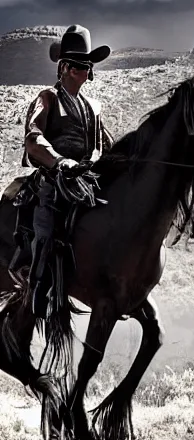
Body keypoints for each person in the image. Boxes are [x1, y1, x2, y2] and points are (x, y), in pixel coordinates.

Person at [18, 24, 112, 313]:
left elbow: (106, 146)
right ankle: (37, 288)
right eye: (75, 65)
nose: (81, 70)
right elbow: (33, 137)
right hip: (55, 178)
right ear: (63, 68)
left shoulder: (93, 107)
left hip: (89, 181)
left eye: (85, 65)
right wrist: (59, 161)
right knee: (45, 225)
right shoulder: (47, 98)